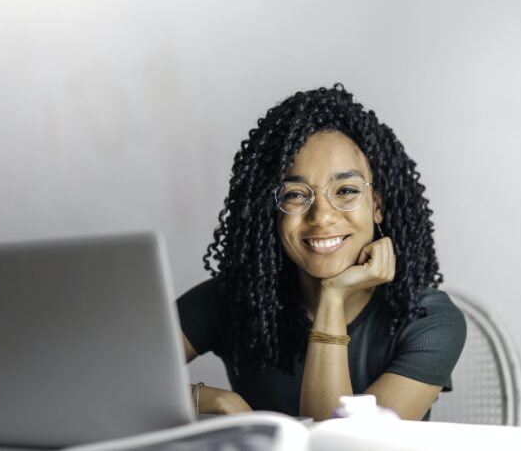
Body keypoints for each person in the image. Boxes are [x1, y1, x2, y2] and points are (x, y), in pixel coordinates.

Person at [177, 84, 466, 421]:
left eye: (345, 190)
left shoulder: (428, 320)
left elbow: (341, 446)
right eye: (296, 195)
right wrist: (212, 400)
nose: (322, 216)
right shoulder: (232, 298)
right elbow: (108, 379)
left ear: (377, 206)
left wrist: (333, 296)